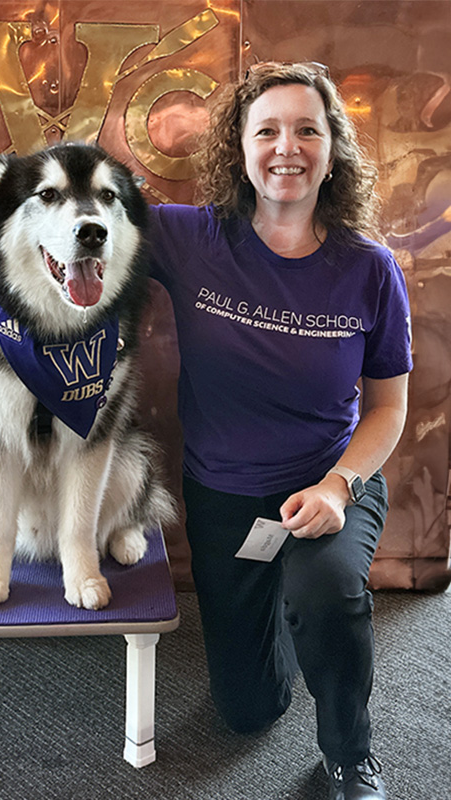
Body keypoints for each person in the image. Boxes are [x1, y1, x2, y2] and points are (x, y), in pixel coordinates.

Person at [148, 62, 412, 800]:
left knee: (328, 593)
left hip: (328, 485)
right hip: (222, 492)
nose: (286, 146)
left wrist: (339, 486)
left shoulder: (369, 269)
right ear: (240, 147)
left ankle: (350, 757)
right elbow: (83, 219)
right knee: (248, 711)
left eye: (307, 129)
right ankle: (289, 616)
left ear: (333, 150)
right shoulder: (188, 239)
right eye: (266, 129)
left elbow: (388, 408)